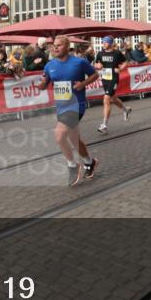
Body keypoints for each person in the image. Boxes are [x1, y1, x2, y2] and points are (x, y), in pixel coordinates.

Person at [36, 36, 102, 187]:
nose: (55, 48)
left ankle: (72, 165)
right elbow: (44, 83)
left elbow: (95, 75)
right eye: (54, 45)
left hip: (76, 105)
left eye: (59, 45)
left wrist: (83, 84)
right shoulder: (50, 65)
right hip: (61, 106)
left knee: (59, 135)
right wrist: (41, 85)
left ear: (67, 47)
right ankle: (89, 162)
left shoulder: (79, 62)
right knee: (73, 139)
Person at [93, 36, 132, 134]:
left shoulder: (117, 53)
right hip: (105, 79)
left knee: (106, 99)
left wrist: (121, 69)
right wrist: (97, 65)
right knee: (113, 98)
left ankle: (104, 125)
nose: (103, 44)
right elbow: (95, 63)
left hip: (113, 79)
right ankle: (125, 110)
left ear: (110, 43)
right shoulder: (100, 53)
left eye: (105, 42)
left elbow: (126, 61)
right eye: (103, 42)